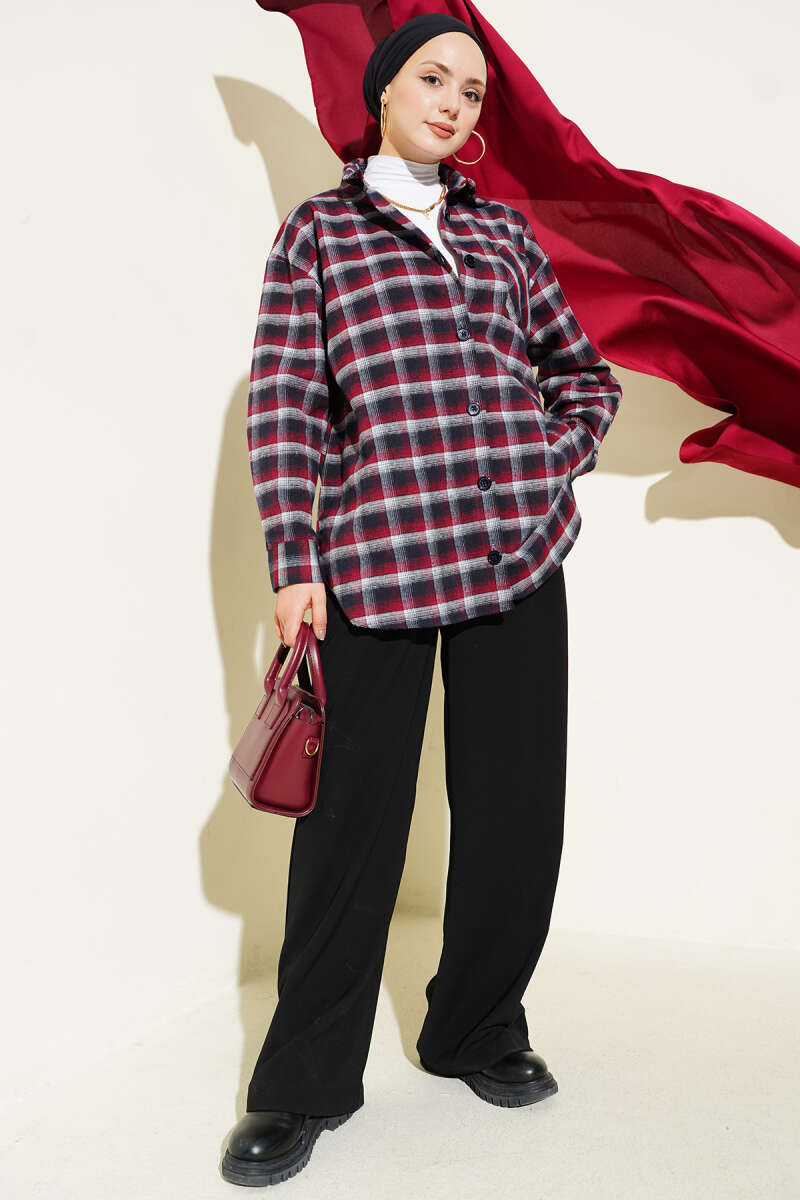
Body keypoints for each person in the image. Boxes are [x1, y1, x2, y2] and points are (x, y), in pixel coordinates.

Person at [222, 12, 622, 1188]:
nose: (452, 102)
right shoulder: (318, 236)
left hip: (515, 557)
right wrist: (292, 562)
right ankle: (300, 1083)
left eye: (471, 91)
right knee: (349, 826)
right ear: (384, 90)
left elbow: (581, 375)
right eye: (432, 79)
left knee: (513, 813)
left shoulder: (500, 234)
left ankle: (476, 1030)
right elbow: (286, 405)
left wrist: (544, 462)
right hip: (378, 561)